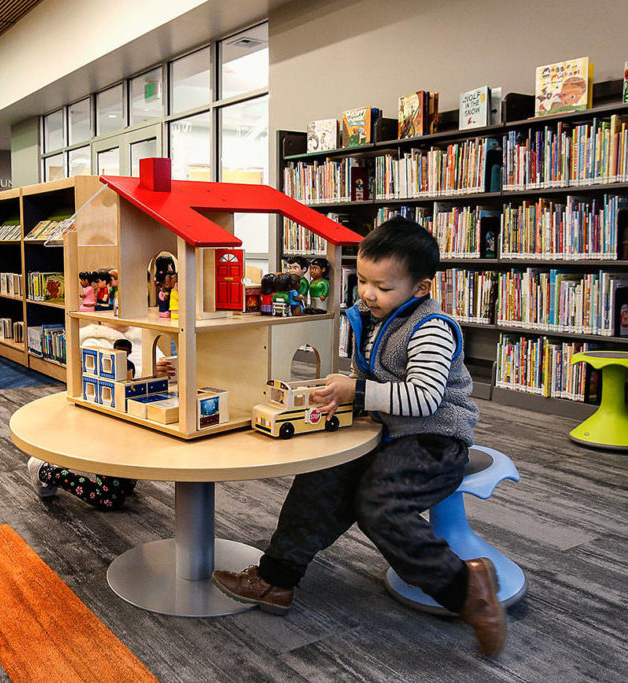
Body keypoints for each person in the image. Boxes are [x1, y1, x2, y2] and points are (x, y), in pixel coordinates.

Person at [212, 217, 506, 658]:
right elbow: (375, 376)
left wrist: (360, 390)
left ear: (421, 288)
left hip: (435, 441)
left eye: (382, 287)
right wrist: (346, 388)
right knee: (323, 474)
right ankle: (277, 579)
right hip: (388, 433)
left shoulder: (431, 328)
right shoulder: (374, 318)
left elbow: (425, 398)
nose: (368, 294)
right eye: (363, 281)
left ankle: (468, 588)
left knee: (379, 506)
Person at [27, 322, 176, 510]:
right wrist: (149, 372)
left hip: (136, 422)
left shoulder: (142, 335)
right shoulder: (93, 341)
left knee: (126, 486)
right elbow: (105, 380)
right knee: (108, 498)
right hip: (108, 426)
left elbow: (163, 370)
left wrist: (164, 371)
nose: (120, 312)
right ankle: (44, 470)